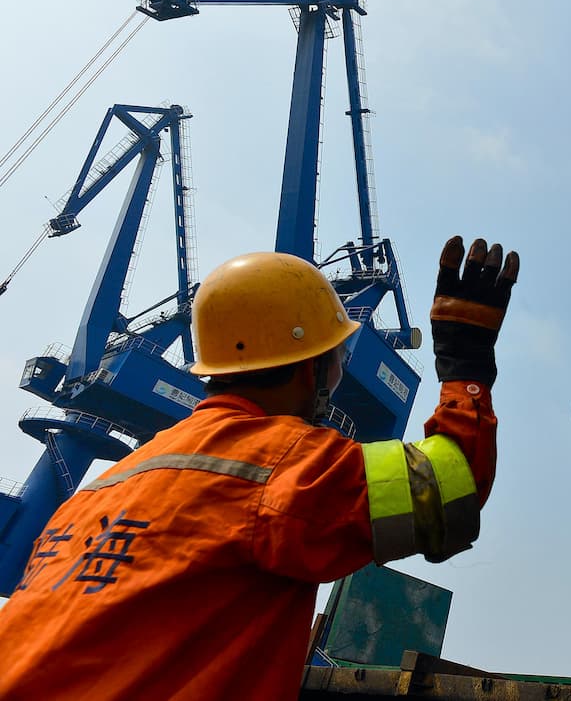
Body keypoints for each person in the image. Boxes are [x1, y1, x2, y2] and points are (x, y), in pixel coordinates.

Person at [0, 235, 519, 700]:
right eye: (337, 354)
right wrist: (465, 369)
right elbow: (452, 487)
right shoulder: (285, 464)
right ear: (312, 366)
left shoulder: (116, 480)